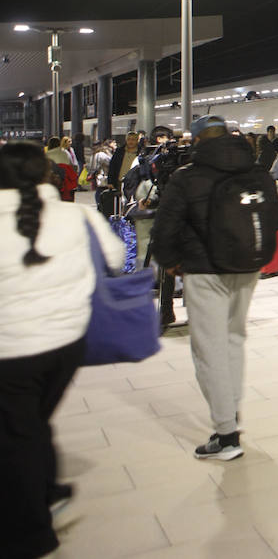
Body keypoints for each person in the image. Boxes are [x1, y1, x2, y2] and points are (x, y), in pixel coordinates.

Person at [1, 142, 127, 557]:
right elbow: (114, 258)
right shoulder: (79, 215)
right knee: (31, 424)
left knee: (21, 432)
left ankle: (32, 533)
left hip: (11, 350)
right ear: (46, 174)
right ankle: (49, 488)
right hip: (68, 342)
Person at [151, 115, 275, 461]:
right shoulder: (255, 170)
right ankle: (230, 412)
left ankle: (226, 434)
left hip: (205, 271)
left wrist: (170, 260)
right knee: (234, 338)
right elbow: (274, 219)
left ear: (197, 140)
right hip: (247, 268)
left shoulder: (187, 177)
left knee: (209, 349)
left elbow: (166, 226)